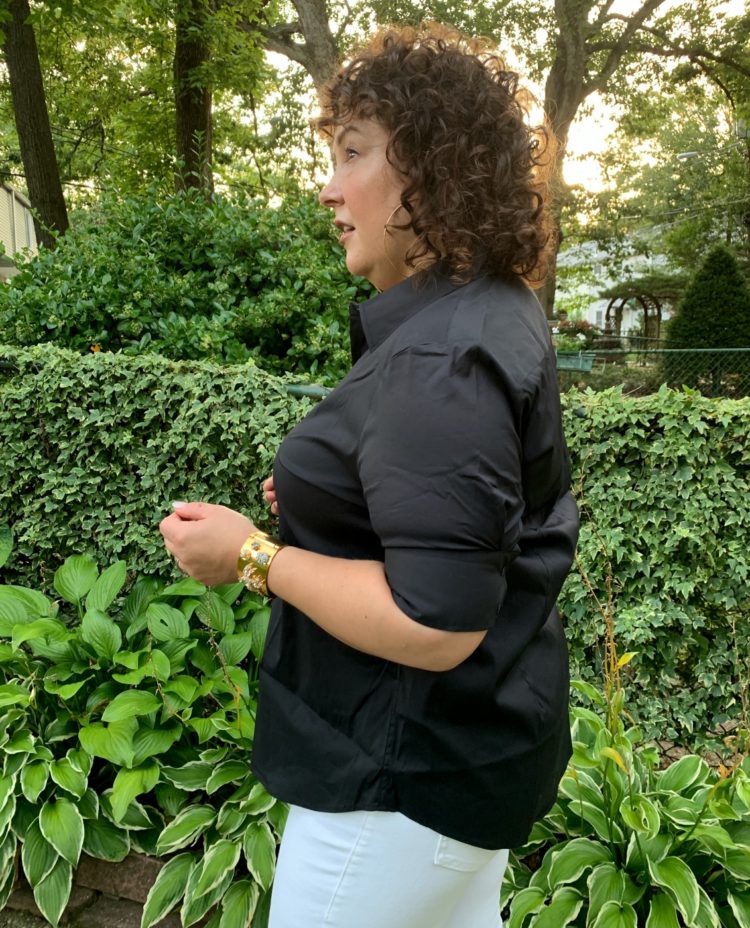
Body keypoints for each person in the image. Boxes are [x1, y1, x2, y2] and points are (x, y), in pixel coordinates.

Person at [160, 24, 579, 928]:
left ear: (431, 169)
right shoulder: (490, 310)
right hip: (457, 772)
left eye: (353, 153)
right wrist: (339, 507)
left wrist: (252, 557)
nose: (328, 187)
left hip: (397, 792)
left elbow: (436, 623)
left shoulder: (442, 356)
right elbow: (475, 519)